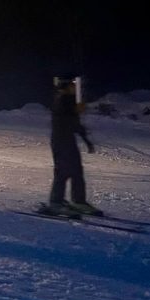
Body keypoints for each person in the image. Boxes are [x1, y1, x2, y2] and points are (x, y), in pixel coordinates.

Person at [42, 76, 99, 216]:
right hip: (60, 140)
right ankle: (56, 202)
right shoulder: (61, 100)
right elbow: (64, 118)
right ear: (66, 87)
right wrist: (75, 111)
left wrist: (87, 140)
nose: (76, 88)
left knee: (77, 171)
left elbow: (76, 124)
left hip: (69, 140)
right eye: (73, 85)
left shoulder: (70, 101)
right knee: (63, 171)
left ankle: (78, 200)